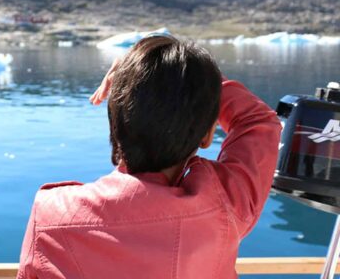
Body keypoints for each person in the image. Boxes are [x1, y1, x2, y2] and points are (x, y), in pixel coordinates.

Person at [16, 35, 281, 279]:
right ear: (208, 135)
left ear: (115, 123)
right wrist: (194, 81)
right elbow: (257, 121)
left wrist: (138, 73)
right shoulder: (226, 203)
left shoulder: (50, 215)